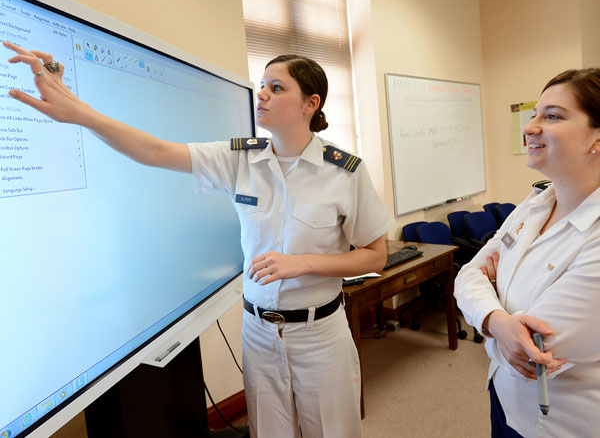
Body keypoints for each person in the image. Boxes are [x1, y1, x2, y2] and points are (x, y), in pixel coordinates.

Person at [3, 41, 394, 437]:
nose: (261, 94)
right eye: (262, 85)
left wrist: (304, 262)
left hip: (319, 334)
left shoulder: (344, 172)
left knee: (333, 431)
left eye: (276, 88)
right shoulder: (240, 158)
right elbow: (154, 151)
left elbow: (375, 256)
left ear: (310, 104)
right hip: (259, 332)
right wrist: (82, 114)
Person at [454, 68, 600, 438]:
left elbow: (537, 352)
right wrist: (500, 322)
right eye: (534, 113)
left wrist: (490, 296)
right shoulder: (536, 202)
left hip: (562, 422)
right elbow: (467, 275)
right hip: (503, 397)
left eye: (552, 116)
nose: (530, 126)